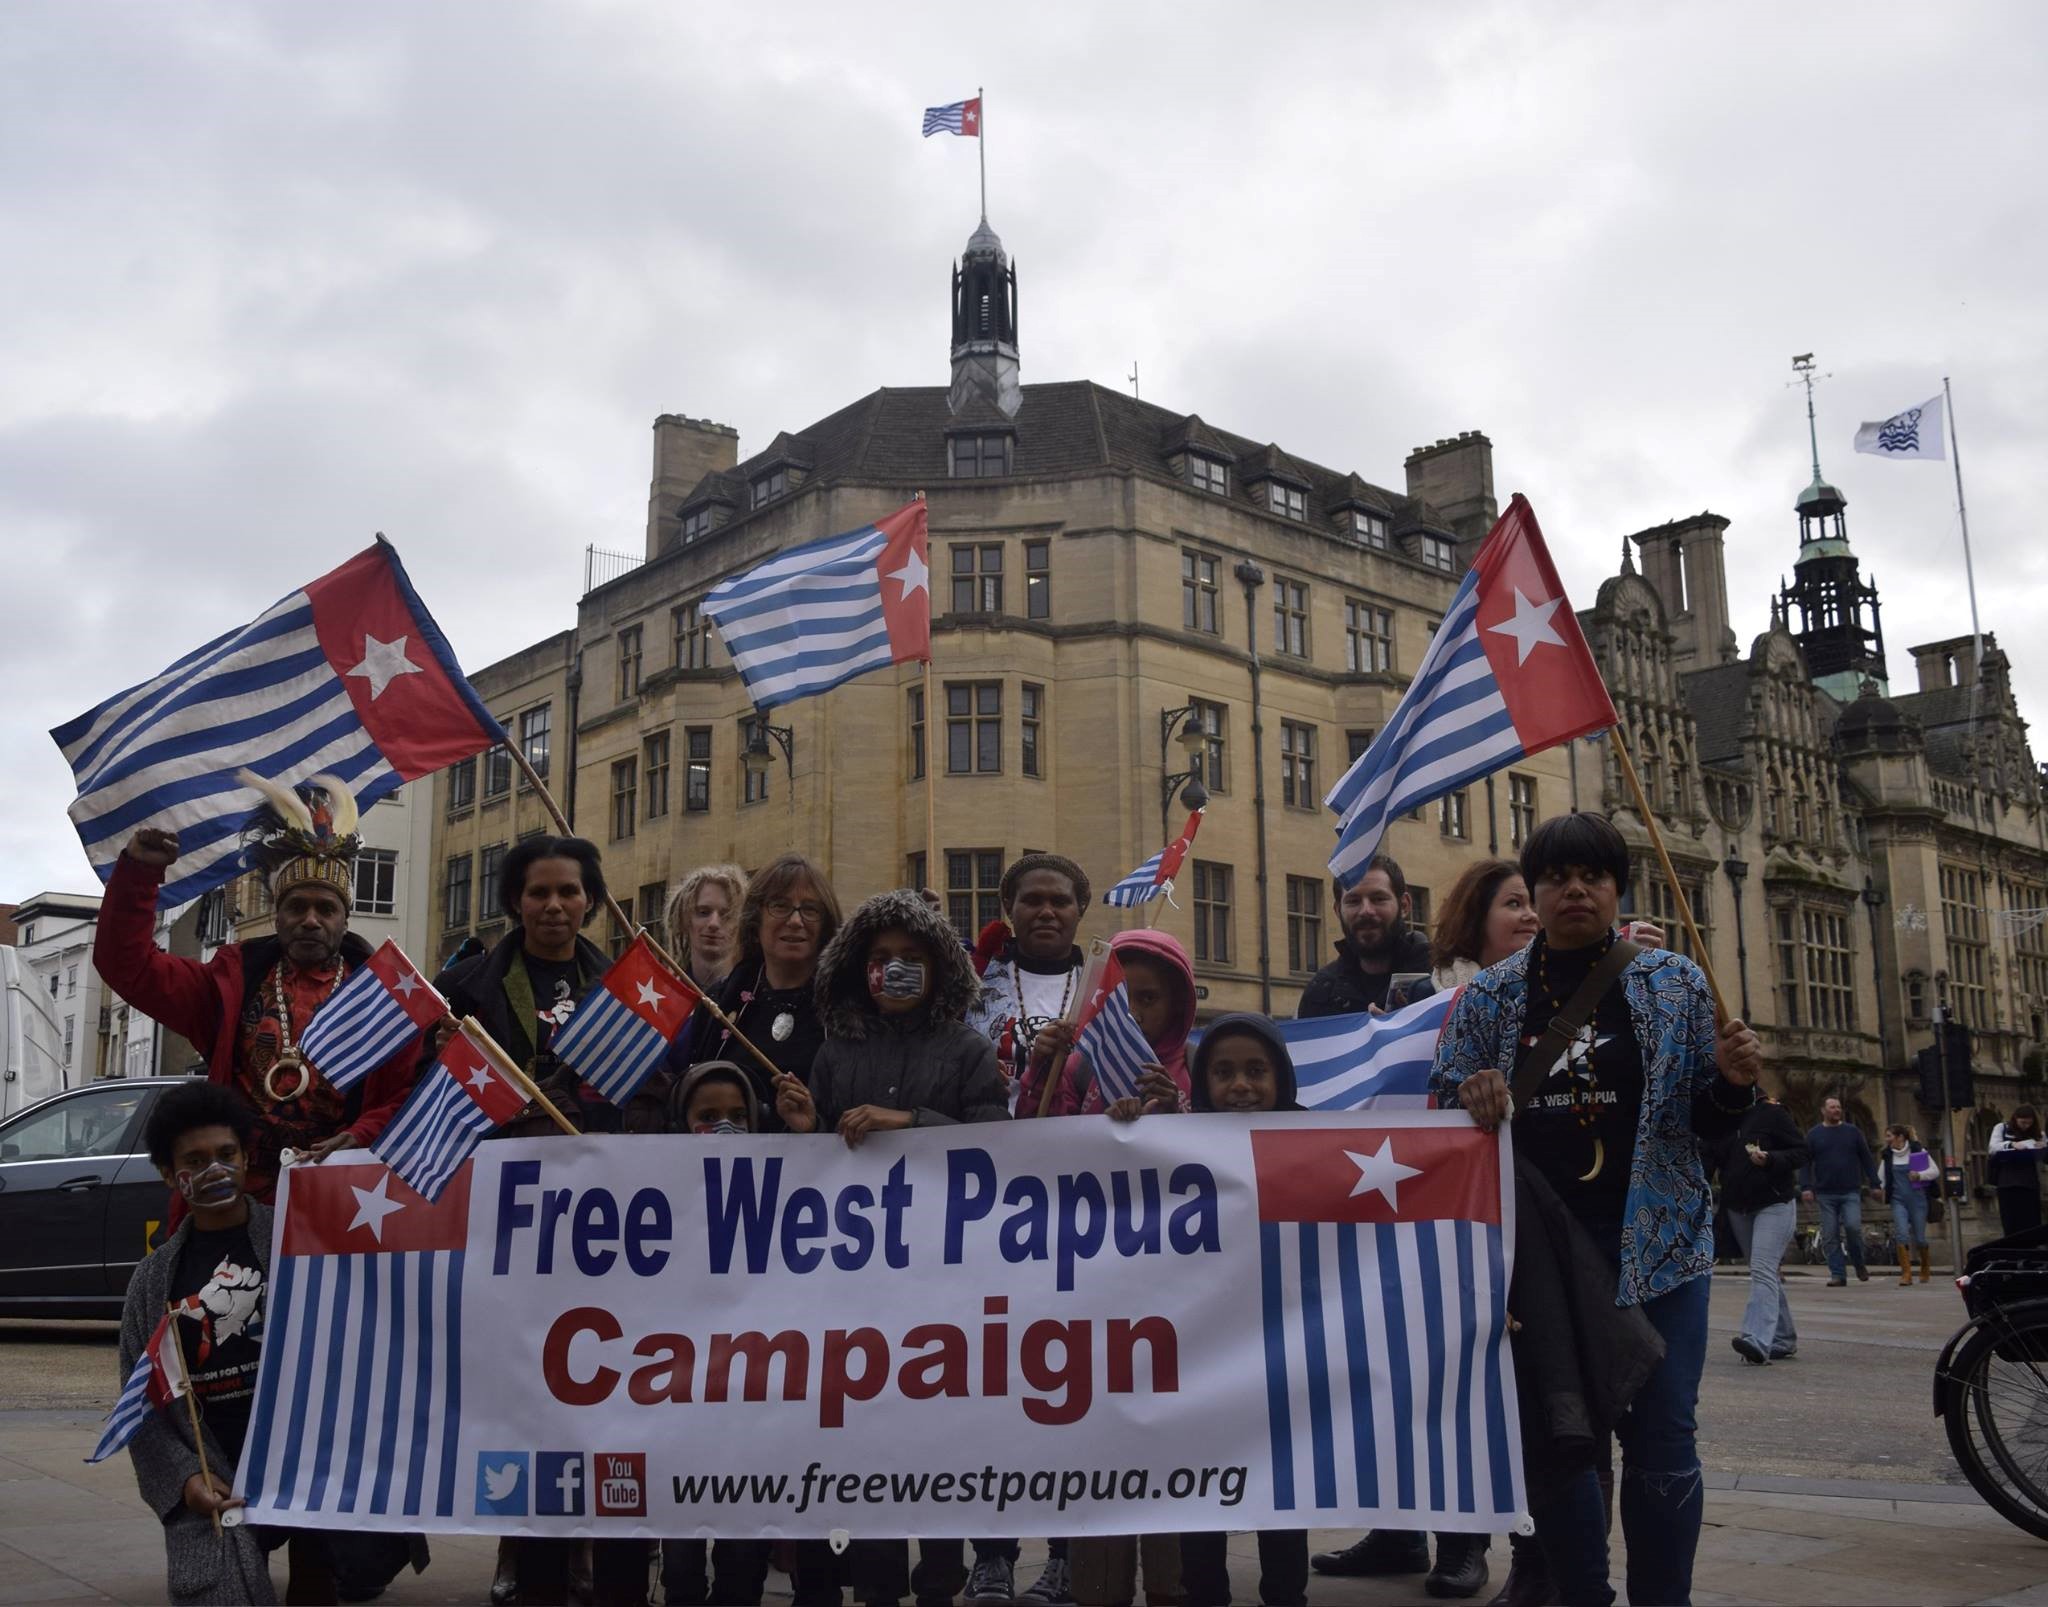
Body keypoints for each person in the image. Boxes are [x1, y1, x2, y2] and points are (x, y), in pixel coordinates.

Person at [1430, 811, 1764, 1607]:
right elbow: (1444, 1113)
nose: (1575, 889)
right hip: (1543, 1260)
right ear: (1536, 892)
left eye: (1594, 876)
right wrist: (1468, 1094)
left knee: (1662, 1439)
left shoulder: (1676, 983)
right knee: (1562, 1440)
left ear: (1618, 889)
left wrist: (1731, 1082)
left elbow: (1707, 1125)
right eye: (1556, 877)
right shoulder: (1489, 997)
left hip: (1660, 1249)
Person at [777, 888, 1009, 1607]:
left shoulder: (969, 1051)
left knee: (935, 1445)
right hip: (851, 1289)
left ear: (940, 968)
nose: (896, 970)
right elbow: (810, 1169)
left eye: (912, 959)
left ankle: (939, 1578)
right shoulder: (834, 1050)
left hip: (940, 1286)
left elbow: (996, 1149)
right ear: (858, 968)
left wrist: (908, 1121)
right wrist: (805, 1127)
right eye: (881, 959)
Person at [442, 837, 650, 1606]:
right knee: (523, 1389)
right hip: (508, 1220)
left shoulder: (627, 990)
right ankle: (521, 1542)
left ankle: (592, 1542)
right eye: (539, 892)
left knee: (598, 1384)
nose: (555, 905)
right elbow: (431, 1094)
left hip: (603, 1222)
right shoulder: (464, 988)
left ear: (591, 900)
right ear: (515, 901)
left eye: (569, 892)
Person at [95, 776, 422, 1209]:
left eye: (326, 909)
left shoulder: (390, 999)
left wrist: (362, 1134)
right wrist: (139, 875)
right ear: (276, 914)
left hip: (349, 1200)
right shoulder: (225, 986)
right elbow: (127, 965)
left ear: (345, 920)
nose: (310, 920)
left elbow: (410, 1095)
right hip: (237, 1206)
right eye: (296, 907)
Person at [1110, 1013, 1306, 1606]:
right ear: (1201, 1082)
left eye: (1255, 1071)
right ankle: (1204, 1593)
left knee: (1281, 1490)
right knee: (1200, 1483)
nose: (1240, 1085)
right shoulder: (1178, 1144)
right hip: (1199, 1350)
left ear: (1282, 1080)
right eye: (1223, 1073)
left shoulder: (1313, 1142)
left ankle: (1286, 1595)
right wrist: (1129, 1131)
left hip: (1279, 1354)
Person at [118, 1082, 289, 1604]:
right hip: (216, 1466)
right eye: (195, 1160)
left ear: (245, 1157)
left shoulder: (295, 1240)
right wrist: (188, 1478)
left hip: (300, 1457)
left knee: (341, 1569)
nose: (215, 1170)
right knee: (218, 1591)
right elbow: (140, 1405)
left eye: (227, 1154)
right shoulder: (152, 1282)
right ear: (171, 1176)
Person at [660, 1062, 776, 1607]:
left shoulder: (783, 1194)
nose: (725, 1127)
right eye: (707, 1117)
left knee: (743, 1532)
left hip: (750, 1395)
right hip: (680, 1395)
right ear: (681, 1122)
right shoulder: (654, 1199)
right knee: (681, 1539)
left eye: (737, 1116)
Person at [671, 854, 840, 1128]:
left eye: (810, 909)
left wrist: (813, 1126)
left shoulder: (850, 1008)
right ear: (755, 919)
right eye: (780, 906)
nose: (796, 921)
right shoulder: (717, 1005)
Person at [1017, 929, 1195, 1119]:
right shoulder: (1080, 1066)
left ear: (1176, 1004)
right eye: (1119, 998)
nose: (1132, 1014)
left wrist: (1174, 1116)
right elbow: (1043, 1140)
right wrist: (1044, 1074)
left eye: (1148, 998)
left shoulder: (1198, 1065)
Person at [963, 853, 1093, 1099]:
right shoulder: (969, 982)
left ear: (1080, 910)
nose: (1046, 912)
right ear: (1010, 907)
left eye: (1060, 901)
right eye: (1032, 901)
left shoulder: (1101, 992)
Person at [1714, 1094, 1808, 1363]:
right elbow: (1710, 1157)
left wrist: (1771, 1159)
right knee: (1764, 1273)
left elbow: (1802, 1151)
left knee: (1762, 1268)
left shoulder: (1771, 1114)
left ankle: (1756, 1339)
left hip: (1774, 1202)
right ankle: (1783, 1338)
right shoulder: (1718, 1118)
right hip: (1738, 1206)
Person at [1297, 853, 1433, 1019]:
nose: (1366, 911)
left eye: (1378, 899)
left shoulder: (1442, 980)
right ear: (1338, 910)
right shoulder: (1320, 994)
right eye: (1353, 901)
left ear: (1404, 905)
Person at [1798, 1097, 1880, 1286]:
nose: (1836, 1110)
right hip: (1825, 1193)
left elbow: (1867, 1158)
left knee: (1852, 1227)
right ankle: (1838, 1274)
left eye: (1838, 1107)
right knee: (1830, 1234)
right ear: (1823, 1111)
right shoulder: (1814, 1134)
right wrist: (1806, 1187)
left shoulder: (1853, 1132)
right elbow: (1805, 1163)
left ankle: (1859, 1263)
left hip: (1850, 1190)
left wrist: (1875, 1183)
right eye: (1832, 1107)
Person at [665, 863, 748, 993]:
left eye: (726, 915)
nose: (713, 924)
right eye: (703, 912)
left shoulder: (755, 997)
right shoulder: (662, 999)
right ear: (683, 919)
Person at [1880, 1123, 1938, 1285]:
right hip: (1898, 1200)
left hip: (1918, 1200)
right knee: (1901, 1234)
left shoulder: (1918, 1151)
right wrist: (1878, 1188)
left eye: (1889, 1136)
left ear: (1900, 1137)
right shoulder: (1887, 1155)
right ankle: (1906, 1273)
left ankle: (1925, 1266)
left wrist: (1920, 1175)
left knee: (1919, 1238)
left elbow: (1935, 1171)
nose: (1886, 1139)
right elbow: (1881, 1178)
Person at [1989, 1106, 2047, 1236]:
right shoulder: (2001, 1128)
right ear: (2015, 1119)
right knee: (2011, 1222)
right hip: (2007, 1182)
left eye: (2029, 1123)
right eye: (2023, 1122)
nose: (2026, 1126)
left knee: (2031, 1222)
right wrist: (2011, 1144)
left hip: (2029, 1183)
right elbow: (1992, 1147)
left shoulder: (2039, 1134)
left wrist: (2043, 1146)